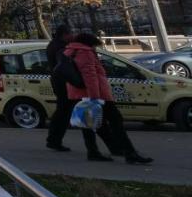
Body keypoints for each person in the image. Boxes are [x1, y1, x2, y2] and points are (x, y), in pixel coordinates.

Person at [64, 32, 153, 165]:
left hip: (78, 94)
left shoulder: (70, 51)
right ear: (90, 43)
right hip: (96, 95)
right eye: (95, 45)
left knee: (88, 125)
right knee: (116, 122)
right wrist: (95, 98)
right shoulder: (85, 53)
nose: (95, 48)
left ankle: (94, 152)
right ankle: (130, 153)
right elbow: (90, 76)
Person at [45, 24, 100, 156]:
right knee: (73, 112)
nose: (73, 35)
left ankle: (54, 139)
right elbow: (66, 67)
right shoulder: (62, 48)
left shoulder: (53, 45)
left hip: (60, 82)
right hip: (66, 84)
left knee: (62, 112)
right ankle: (94, 148)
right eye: (71, 33)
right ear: (65, 34)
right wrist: (77, 82)